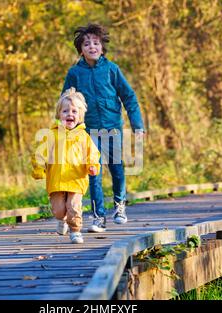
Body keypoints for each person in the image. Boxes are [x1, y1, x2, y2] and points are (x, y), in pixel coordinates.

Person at [61, 23, 145, 232]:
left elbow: (129, 97)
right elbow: (65, 100)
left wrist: (138, 125)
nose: (92, 47)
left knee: (117, 169)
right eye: (87, 44)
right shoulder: (75, 73)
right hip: (87, 132)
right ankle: (98, 217)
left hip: (112, 128)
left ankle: (119, 205)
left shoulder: (111, 69)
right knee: (93, 173)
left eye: (96, 43)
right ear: (81, 49)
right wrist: (64, 126)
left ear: (102, 47)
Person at [31, 87, 100, 244]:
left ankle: (75, 231)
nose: (70, 114)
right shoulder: (51, 135)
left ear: (80, 116)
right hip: (56, 179)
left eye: (74, 112)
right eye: (65, 111)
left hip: (76, 178)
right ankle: (61, 220)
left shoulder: (83, 136)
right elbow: (40, 154)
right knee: (58, 210)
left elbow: (93, 154)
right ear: (59, 114)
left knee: (74, 206)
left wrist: (92, 165)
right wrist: (38, 168)